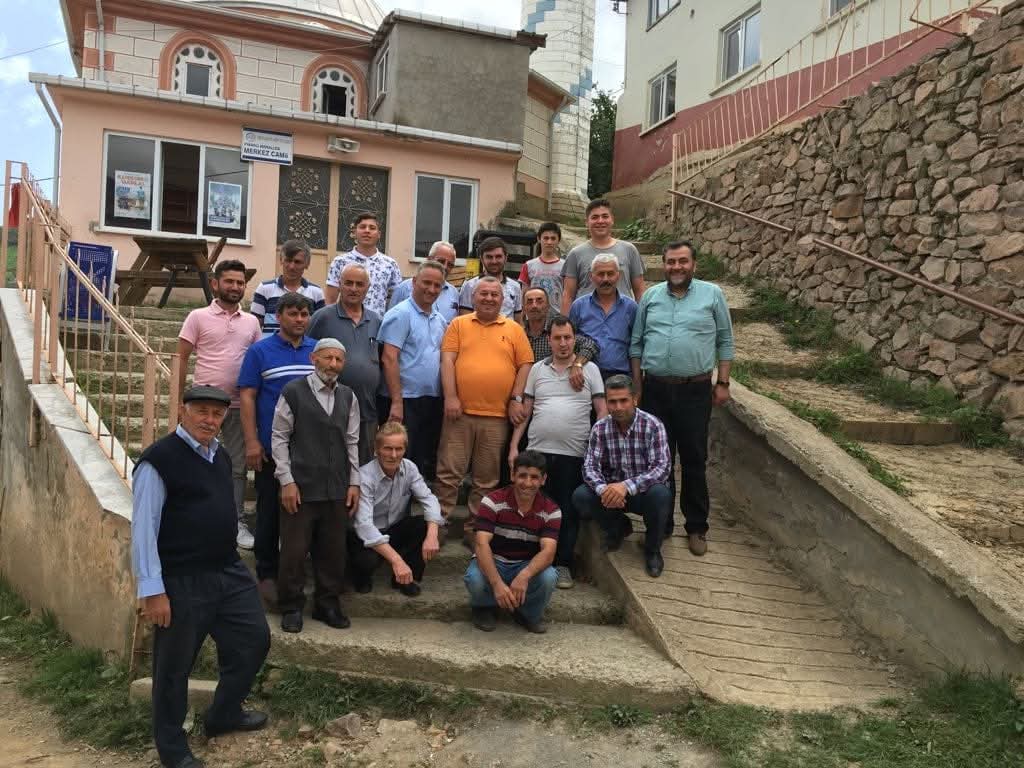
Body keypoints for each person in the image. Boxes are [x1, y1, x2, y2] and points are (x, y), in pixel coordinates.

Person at [132, 385, 270, 768]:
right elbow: (143, 530)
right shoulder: (159, 461)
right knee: (174, 668)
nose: (210, 420)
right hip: (181, 579)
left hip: (227, 570)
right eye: (202, 411)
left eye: (217, 413)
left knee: (253, 639)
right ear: (183, 411)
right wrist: (153, 590)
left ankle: (223, 713)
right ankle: (172, 748)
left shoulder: (220, 456)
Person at [630, 241, 734, 556]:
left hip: (695, 390)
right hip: (656, 389)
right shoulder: (650, 297)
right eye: (671, 262)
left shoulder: (712, 294)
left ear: (694, 264)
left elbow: (725, 339)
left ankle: (697, 527)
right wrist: (638, 387)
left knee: (693, 459)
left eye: (682, 261)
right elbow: (636, 344)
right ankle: (661, 525)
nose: (677, 267)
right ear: (664, 264)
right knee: (659, 461)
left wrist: (723, 382)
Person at [271, 338, 361, 633]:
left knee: (333, 551)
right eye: (328, 358)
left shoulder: (348, 396)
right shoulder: (293, 392)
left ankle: (327, 604)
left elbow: (352, 441)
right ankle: (291, 606)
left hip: (336, 487)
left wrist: (354, 482)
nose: (333, 364)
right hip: (301, 486)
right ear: (314, 359)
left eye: (338, 360)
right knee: (294, 551)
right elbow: (279, 438)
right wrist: (286, 481)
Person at [509, 316, 606, 589]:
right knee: (532, 508)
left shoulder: (591, 371)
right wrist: (514, 447)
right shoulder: (537, 370)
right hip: (537, 453)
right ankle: (530, 561)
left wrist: (597, 450)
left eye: (568, 337)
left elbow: (601, 412)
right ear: (548, 340)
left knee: (566, 511)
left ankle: (562, 563)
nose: (563, 343)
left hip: (573, 454)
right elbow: (526, 412)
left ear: (574, 339)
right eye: (557, 338)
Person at [437, 277, 534, 544]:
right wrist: (451, 396)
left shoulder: (514, 329)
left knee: (486, 479)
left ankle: (475, 529)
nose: (489, 298)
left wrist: (516, 398)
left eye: (494, 294)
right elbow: (447, 360)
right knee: (448, 474)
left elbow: (525, 365)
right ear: (473, 298)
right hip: (459, 413)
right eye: (484, 294)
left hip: (496, 418)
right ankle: (439, 524)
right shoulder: (458, 324)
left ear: (503, 300)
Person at [237, 293, 316, 607]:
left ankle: (297, 571)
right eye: (293, 314)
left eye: (304, 314)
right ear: (279, 316)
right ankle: (267, 572)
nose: (299, 319)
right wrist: (251, 441)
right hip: (271, 450)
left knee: (305, 515)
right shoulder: (260, 351)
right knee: (269, 513)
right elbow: (247, 397)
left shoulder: (317, 351)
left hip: (310, 453)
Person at [177, 259, 260, 550]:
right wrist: (178, 401)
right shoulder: (197, 317)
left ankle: (235, 521)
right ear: (215, 284)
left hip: (238, 406)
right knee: (196, 460)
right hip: (203, 404)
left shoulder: (252, 322)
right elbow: (181, 358)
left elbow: (256, 362)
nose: (235, 287)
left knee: (237, 466)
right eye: (229, 281)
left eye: (240, 282)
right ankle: (193, 516)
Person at [572, 375, 671, 578]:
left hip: (641, 492)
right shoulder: (600, 428)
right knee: (581, 496)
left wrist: (626, 486)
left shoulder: (653, 425)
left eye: (623, 400)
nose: (618, 407)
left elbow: (662, 468)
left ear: (634, 399)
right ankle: (617, 527)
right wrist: (604, 489)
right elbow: (590, 467)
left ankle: (653, 549)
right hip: (611, 496)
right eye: (612, 402)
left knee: (661, 494)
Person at [464, 450, 560, 634]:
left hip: (525, 563)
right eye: (522, 475)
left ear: (543, 480)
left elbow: (548, 552)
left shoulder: (552, 510)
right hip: (494, 559)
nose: (527, 483)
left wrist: (524, 575)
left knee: (549, 577)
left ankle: (527, 614)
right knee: (475, 579)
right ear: (512, 475)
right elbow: (481, 544)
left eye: (534, 477)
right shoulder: (492, 501)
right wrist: (496, 583)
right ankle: (484, 609)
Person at [350, 422, 444, 596]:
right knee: (366, 560)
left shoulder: (410, 468)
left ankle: (405, 579)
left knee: (426, 526)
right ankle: (361, 576)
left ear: (405, 449)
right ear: (377, 449)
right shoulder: (364, 476)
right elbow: (364, 526)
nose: (393, 455)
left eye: (398, 449)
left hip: (394, 527)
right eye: (388, 448)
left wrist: (432, 535)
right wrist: (397, 560)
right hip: (366, 534)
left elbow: (429, 499)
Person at [378, 260, 449, 480]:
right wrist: (397, 402)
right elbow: (389, 358)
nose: (431, 289)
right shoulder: (400, 314)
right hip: (405, 401)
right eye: (426, 283)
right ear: (414, 282)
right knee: (399, 460)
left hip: (430, 399)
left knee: (420, 460)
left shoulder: (439, 318)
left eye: (437, 285)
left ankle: (414, 499)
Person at [308, 263, 381, 465]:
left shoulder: (376, 320)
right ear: (339, 285)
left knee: (364, 466)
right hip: (330, 410)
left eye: (359, 284)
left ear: (368, 288)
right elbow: (307, 357)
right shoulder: (322, 317)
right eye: (348, 283)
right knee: (331, 463)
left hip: (367, 411)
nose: (353, 288)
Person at [560, 199, 646, 314]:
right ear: (587, 222)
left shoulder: (629, 250)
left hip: (623, 319)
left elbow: (640, 292)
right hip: (586, 320)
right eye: (595, 217)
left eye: (605, 216)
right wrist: (564, 323)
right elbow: (568, 295)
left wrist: (642, 320)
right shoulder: (575, 254)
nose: (600, 221)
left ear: (612, 220)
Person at [568, 254, 638, 379]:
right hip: (585, 375)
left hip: (621, 376)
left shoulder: (631, 307)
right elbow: (570, 340)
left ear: (618, 275)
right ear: (591, 276)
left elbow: (636, 346)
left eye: (610, 274)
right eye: (600, 274)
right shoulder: (578, 306)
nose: (605, 279)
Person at [324, 212, 402, 316]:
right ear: (354, 232)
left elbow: (398, 301)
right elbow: (330, 300)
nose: (367, 231)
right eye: (362, 227)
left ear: (379, 234)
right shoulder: (340, 262)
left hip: (377, 323)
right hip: (345, 321)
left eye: (372, 228)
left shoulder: (390, 264)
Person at [250, 240, 325, 339]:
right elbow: (255, 326)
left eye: (297, 262)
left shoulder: (316, 293)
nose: (292, 266)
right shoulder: (264, 289)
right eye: (288, 260)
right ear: (281, 260)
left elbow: (319, 328)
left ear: (307, 264)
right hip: (271, 348)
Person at [521, 287, 600, 381]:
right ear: (523, 308)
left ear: (548, 306)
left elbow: (590, 344)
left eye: (539, 301)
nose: (534, 305)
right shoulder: (518, 334)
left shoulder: (557, 331)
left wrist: (577, 364)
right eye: (529, 302)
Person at [388, 241, 461, 323]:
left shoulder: (454, 293)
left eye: (450, 265)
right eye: (441, 261)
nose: (445, 267)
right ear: (429, 259)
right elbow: (392, 319)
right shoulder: (404, 288)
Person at [458, 236, 522, 321]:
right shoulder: (469, 285)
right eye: (489, 257)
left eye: (498, 256)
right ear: (481, 258)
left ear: (506, 258)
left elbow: (518, 322)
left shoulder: (515, 287)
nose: (494, 261)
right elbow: (464, 321)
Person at [517, 222, 564, 310]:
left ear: (558, 240)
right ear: (539, 239)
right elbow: (524, 296)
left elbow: (568, 294)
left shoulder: (565, 266)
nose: (549, 242)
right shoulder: (528, 265)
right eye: (546, 238)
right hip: (534, 313)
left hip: (557, 315)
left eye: (553, 238)